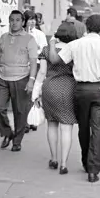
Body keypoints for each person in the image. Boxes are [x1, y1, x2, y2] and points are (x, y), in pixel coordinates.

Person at [48, 13, 100, 183]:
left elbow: (54, 59)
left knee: (83, 127)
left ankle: (85, 160)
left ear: (86, 27)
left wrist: (52, 43)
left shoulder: (75, 45)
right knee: (98, 128)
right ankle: (93, 169)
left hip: (81, 89)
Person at [32, 22, 78, 175]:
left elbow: (42, 73)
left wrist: (36, 93)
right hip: (69, 89)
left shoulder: (46, 50)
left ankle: (53, 158)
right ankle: (64, 164)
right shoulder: (74, 50)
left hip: (50, 89)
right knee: (66, 127)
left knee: (52, 125)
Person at [0, 10, 40, 152]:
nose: (14, 23)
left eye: (18, 20)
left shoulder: (29, 39)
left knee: (20, 112)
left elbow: (33, 61)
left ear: (23, 22)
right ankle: (7, 132)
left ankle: (17, 141)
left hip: (21, 78)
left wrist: (31, 81)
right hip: (3, 78)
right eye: (12, 20)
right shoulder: (3, 37)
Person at [24, 9, 47, 132]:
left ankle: (33, 119)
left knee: (35, 93)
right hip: (23, 65)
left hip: (37, 65)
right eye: (29, 19)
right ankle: (26, 121)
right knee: (26, 93)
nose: (32, 22)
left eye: (34, 19)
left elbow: (43, 50)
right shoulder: (21, 33)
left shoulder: (40, 34)